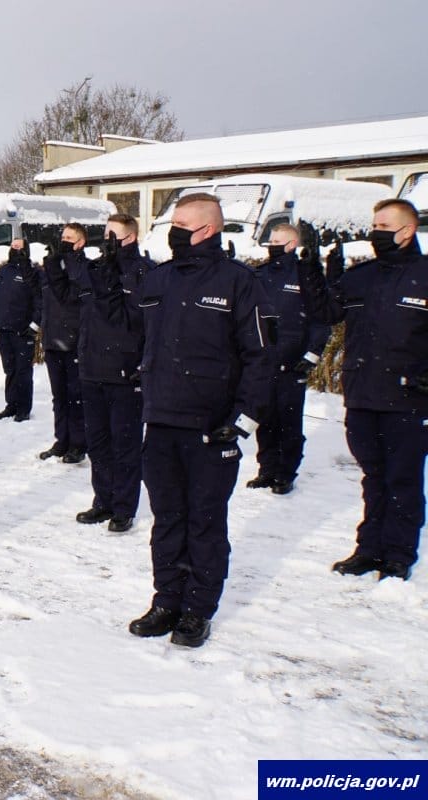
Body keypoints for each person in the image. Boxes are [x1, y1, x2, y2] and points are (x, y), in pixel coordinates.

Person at [124, 193, 274, 647]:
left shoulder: (239, 282)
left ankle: (197, 610)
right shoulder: (159, 279)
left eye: (182, 223)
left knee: (205, 520)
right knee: (167, 518)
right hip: (162, 421)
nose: (174, 231)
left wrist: (243, 419)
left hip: (212, 426)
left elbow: (261, 357)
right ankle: (167, 599)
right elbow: (141, 341)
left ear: (208, 229)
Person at [300, 199, 428, 581]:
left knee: (402, 479)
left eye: (384, 226)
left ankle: (398, 554)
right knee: (373, 476)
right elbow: (326, 312)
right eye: (374, 225)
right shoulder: (362, 276)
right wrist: (311, 266)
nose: (376, 233)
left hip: (408, 398)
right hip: (362, 394)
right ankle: (369, 548)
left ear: (406, 231)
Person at [49, 214, 154, 531]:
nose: (106, 240)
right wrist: (59, 258)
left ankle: (123, 507)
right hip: (92, 368)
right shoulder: (96, 268)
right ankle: (103, 501)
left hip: (124, 372)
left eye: (113, 235)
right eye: (105, 234)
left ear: (130, 238)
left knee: (124, 444)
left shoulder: (143, 272)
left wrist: (142, 366)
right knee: (98, 443)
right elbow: (67, 293)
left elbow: (135, 320)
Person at [248, 223, 331, 495]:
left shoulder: (304, 274)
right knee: (265, 419)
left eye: (277, 240)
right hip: (264, 361)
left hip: (292, 361)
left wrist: (311, 354)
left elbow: (321, 318)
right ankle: (267, 469)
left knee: (289, 421)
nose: (272, 244)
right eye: (270, 239)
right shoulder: (260, 274)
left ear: (292, 244)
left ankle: (285, 473)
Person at [38, 223, 87, 463]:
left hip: (75, 342)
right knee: (59, 396)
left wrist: (65, 262)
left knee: (76, 395)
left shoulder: (83, 268)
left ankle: (79, 443)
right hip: (53, 340)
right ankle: (62, 439)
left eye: (69, 237)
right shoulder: (51, 266)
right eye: (63, 236)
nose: (64, 240)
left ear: (80, 242)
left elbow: (71, 297)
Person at [0, 238, 40, 423]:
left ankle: (23, 409)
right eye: (12, 246)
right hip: (3, 329)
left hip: (22, 331)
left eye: (18, 246)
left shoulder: (32, 273)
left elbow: (41, 300)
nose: (14, 248)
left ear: (26, 250)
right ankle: (11, 405)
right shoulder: (4, 271)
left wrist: (34, 325)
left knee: (23, 371)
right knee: (10, 370)